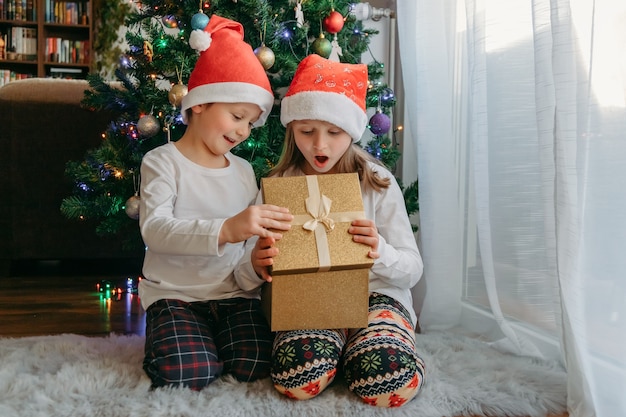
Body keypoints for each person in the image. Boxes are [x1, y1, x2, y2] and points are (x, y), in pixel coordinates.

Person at [235, 54, 426, 407]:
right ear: (292, 128)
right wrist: (255, 264)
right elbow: (243, 274)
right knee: (295, 376)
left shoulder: (377, 183)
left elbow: (412, 270)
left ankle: (371, 345)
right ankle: (339, 350)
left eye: (334, 133)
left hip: (376, 298)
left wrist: (378, 251)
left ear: (352, 132)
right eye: (307, 131)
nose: (319, 145)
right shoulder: (278, 186)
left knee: (387, 381)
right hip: (310, 301)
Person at [138, 15, 293, 391]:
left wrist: (255, 266)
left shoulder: (243, 172)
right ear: (200, 105)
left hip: (234, 297)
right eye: (237, 116)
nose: (243, 130)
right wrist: (225, 229)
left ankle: (208, 341)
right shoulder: (162, 162)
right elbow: (155, 231)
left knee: (257, 363)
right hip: (176, 296)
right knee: (188, 372)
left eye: (251, 123)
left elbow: (245, 255)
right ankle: (178, 340)